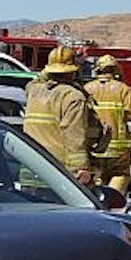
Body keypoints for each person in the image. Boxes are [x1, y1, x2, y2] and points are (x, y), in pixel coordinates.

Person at [23, 46, 103, 185]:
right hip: (57, 173)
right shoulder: (73, 96)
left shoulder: (34, 91)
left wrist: (48, 71)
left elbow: (36, 81)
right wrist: (80, 169)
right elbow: (74, 136)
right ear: (73, 71)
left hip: (30, 168)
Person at [85, 54, 131, 194]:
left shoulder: (87, 89)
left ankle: (97, 201)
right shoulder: (122, 89)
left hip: (94, 147)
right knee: (120, 175)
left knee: (96, 178)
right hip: (118, 149)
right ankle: (112, 200)